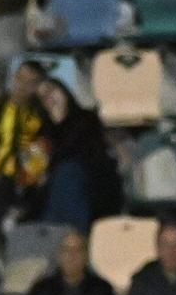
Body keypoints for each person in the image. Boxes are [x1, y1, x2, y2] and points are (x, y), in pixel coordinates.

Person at [37, 77, 122, 228]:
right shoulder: (42, 132)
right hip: (57, 194)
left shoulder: (86, 119)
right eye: (42, 97)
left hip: (92, 188)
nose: (48, 98)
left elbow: (80, 151)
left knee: (67, 173)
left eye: (51, 90)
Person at [0, 61, 49, 219]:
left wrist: (36, 173)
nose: (22, 86)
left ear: (38, 87)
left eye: (31, 82)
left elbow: (39, 148)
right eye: (20, 79)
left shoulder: (40, 114)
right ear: (14, 78)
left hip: (23, 173)